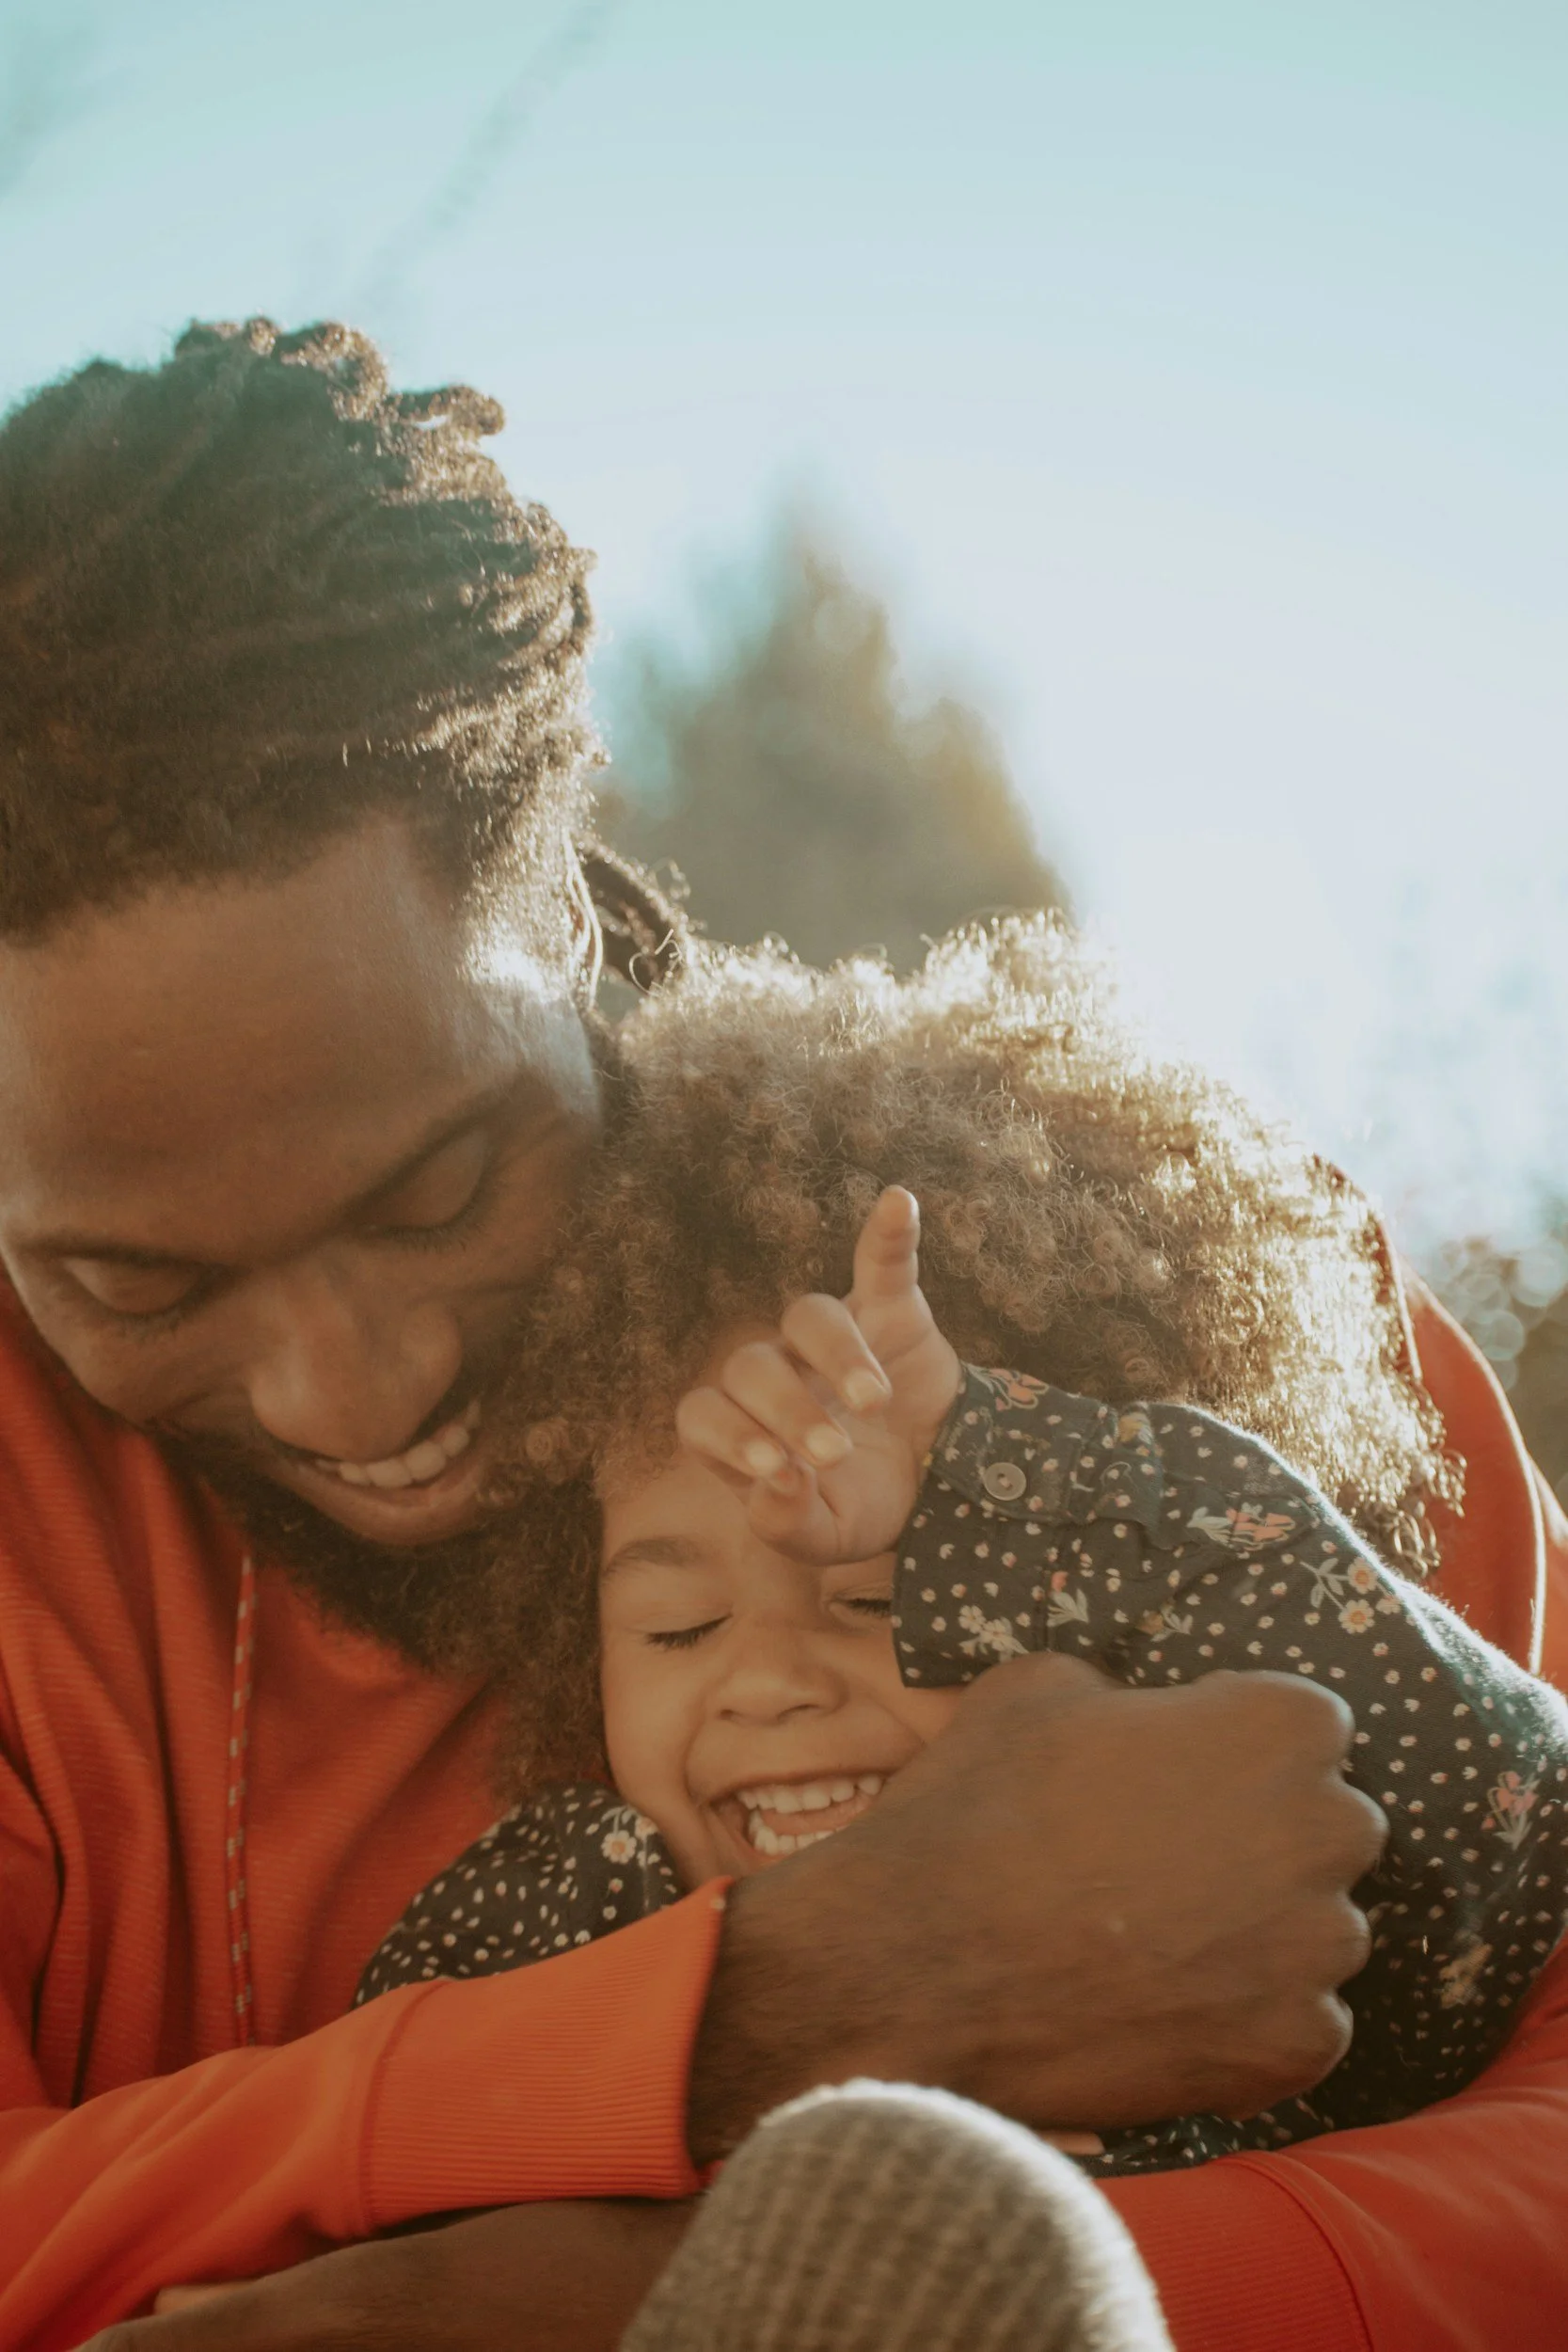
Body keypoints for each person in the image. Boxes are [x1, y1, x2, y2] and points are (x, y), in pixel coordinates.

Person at [0, 316, 1557, 2352]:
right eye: (138, 1279)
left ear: (567, 911)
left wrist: (757, 2299)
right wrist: (789, 1999)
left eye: (439, 1190)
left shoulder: (1137, 1266)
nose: (350, 1389)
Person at [356, 938, 1568, 2179]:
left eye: (878, 1597)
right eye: (678, 1626)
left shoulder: (1249, 1920)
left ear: (1101, 1593)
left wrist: (999, 1464)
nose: (767, 1681)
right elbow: (407, 2177)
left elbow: (1519, 1819)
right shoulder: (568, 1919)